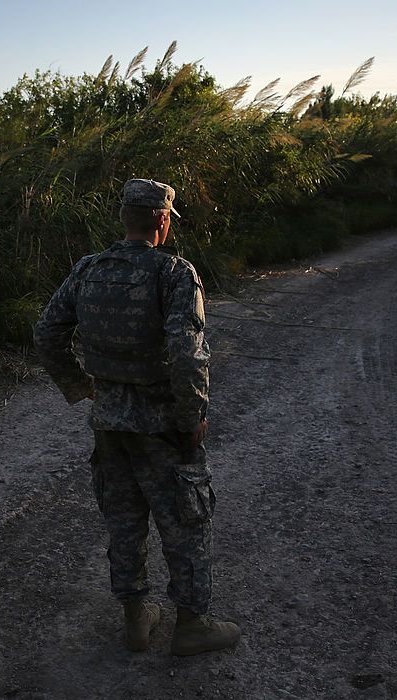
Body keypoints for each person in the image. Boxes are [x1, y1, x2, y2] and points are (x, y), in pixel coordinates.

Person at [33, 178, 241, 656]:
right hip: (163, 425)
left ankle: (135, 620)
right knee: (186, 522)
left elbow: (46, 332)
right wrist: (192, 415)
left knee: (124, 522)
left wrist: (81, 386)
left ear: (125, 218)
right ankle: (191, 625)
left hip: (109, 422)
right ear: (163, 220)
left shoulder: (89, 269)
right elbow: (187, 355)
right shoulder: (174, 273)